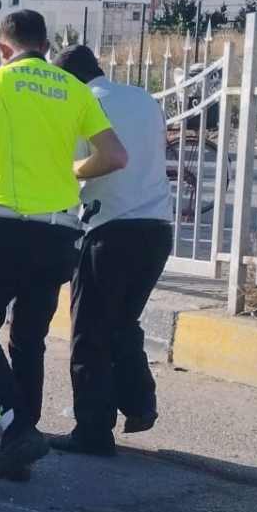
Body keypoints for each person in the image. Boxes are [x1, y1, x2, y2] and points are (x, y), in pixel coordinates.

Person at [0, 9, 129, 481]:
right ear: (46, 46)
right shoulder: (74, 89)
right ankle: (18, 444)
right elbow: (114, 155)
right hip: (60, 234)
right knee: (28, 339)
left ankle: (18, 427)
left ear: (4, 49)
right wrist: (72, 173)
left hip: (4, 227)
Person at [49, 45, 174, 457]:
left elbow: (91, 163)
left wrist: (68, 172)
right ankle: (140, 403)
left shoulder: (82, 104)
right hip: (156, 230)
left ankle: (93, 432)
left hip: (109, 230)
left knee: (89, 334)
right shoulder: (143, 98)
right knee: (122, 321)